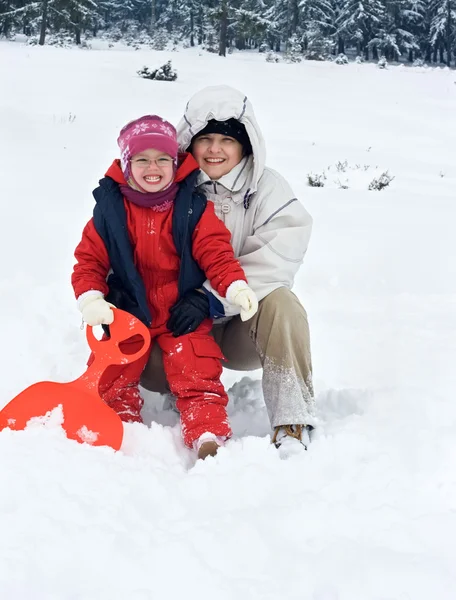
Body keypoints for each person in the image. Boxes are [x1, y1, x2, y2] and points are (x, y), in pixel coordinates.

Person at [140, 85, 315, 456]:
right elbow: (126, 239)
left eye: (226, 140)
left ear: (246, 145)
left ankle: (291, 420)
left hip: (239, 330)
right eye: (205, 139)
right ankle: (182, 391)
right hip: (174, 330)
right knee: (142, 356)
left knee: (283, 303)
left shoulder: (268, 188)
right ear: (189, 143)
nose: (215, 149)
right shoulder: (164, 186)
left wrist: (210, 298)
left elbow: (280, 256)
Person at [71, 114, 258, 460]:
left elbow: (216, 252)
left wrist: (234, 286)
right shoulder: (110, 211)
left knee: (196, 368)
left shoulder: (193, 208)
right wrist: (92, 298)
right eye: (141, 159)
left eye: (161, 159)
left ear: (175, 163)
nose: (152, 168)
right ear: (127, 165)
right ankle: (120, 425)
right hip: (130, 313)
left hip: (180, 313)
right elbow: (89, 261)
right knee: (112, 371)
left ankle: (207, 434)